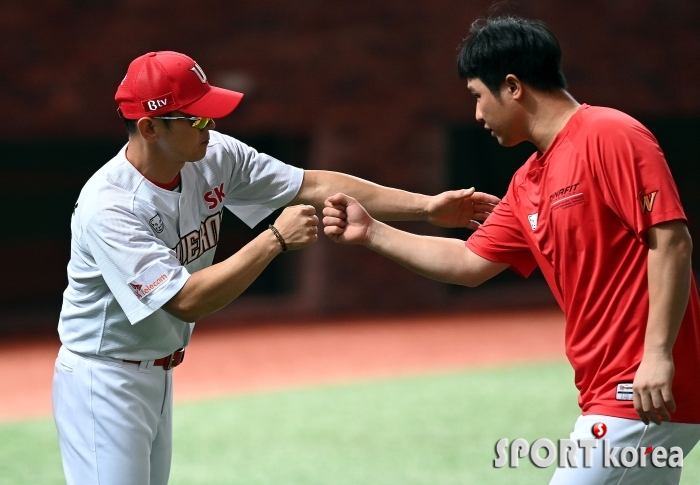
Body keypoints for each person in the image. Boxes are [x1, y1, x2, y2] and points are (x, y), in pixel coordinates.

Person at [52, 50, 499, 485]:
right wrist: (274, 240)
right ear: (149, 127)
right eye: (197, 119)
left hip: (157, 372)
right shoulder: (110, 207)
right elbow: (185, 301)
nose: (211, 127)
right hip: (103, 379)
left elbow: (315, 184)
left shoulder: (213, 156)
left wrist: (428, 208)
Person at [322, 16, 700, 484]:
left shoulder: (609, 134)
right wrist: (373, 231)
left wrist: (658, 354)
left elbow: (671, 241)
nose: (477, 115)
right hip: (611, 388)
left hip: (638, 388)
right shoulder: (528, 181)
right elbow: (466, 263)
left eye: (478, 96)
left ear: (513, 86)